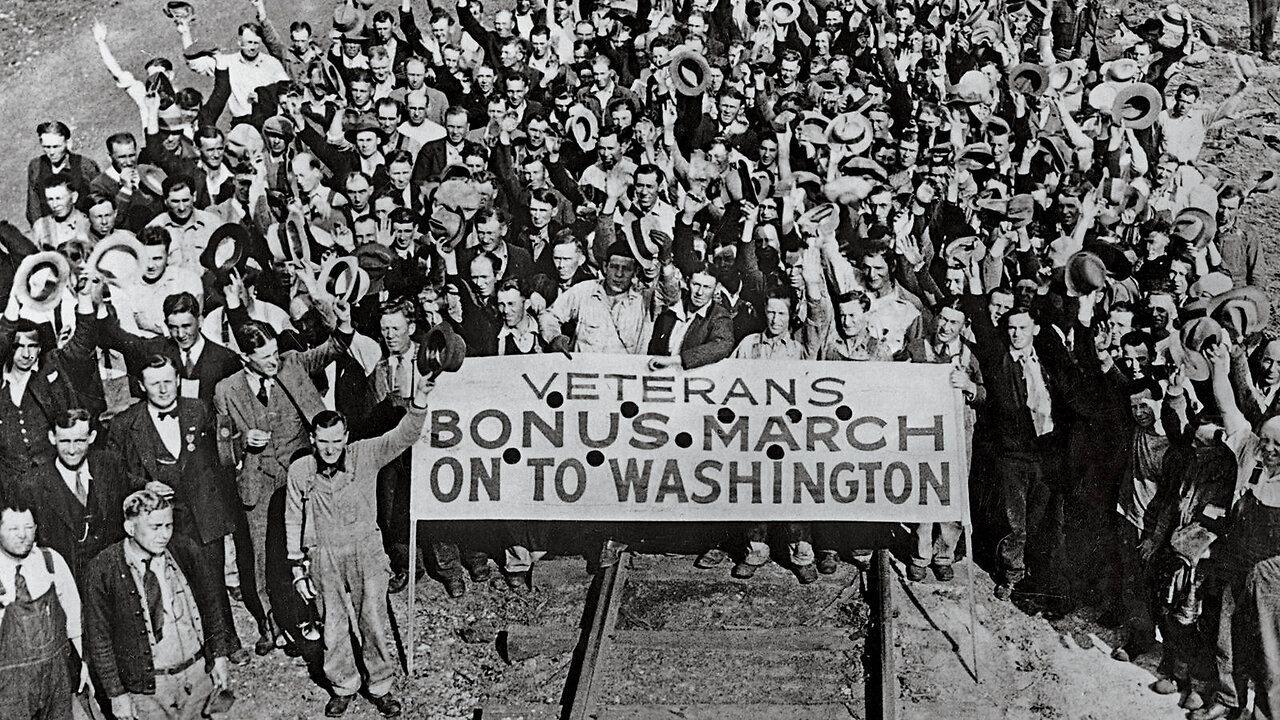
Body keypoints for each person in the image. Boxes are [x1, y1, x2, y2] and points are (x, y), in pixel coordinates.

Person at [214, 284, 358, 654]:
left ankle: (314, 614)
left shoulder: (292, 363)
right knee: (262, 556)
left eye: (275, 352)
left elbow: (334, 348)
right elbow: (221, 447)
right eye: (264, 357)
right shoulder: (226, 390)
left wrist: (342, 324)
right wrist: (243, 441)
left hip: (299, 474)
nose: (273, 361)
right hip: (257, 484)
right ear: (245, 359)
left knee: (306, 547)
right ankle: (269, 623)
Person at [285, 372, 436, 717]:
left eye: (337, 441)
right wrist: (297, 564)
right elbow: (293, 517)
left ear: (346, 437)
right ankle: (343, 684)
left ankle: (380, 685)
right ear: (312, 438)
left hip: (366, 551)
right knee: (333, 625)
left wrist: (421, 400)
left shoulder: (364, 454)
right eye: (323, 441)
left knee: (373, 619)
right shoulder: (300, 471)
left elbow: (404, 436)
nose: (330, 449)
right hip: (324, 556)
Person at [106, 355, 248, 666]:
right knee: (169, 584)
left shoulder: (197, 409)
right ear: (142, 386)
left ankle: (224, 643)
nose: (163, 389)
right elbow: (112, 473)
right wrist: (143, 485)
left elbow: (223, 451)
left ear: (178, 381)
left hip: (202, 512)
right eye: (155, 383)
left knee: (212, 581)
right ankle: (182, 649)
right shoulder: (126, 423)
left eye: (168, 381)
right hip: (159, 519)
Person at [82, 489, 235, 720]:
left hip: (196, 674)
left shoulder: (184, 550)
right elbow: (99, 639)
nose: (164, 535)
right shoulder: (104, 570)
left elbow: (211, 605)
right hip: (149, 690)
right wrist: (116, 694)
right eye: (155, 527)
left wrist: (219, 656)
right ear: (130, 528)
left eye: (168, 526)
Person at [0, 499, 86, 720]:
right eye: (13, 529)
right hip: (10, 690)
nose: (23, 535)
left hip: (56, 680)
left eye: (29, 527)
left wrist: (84, 663)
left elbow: (74, 618)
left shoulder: (51, 561)